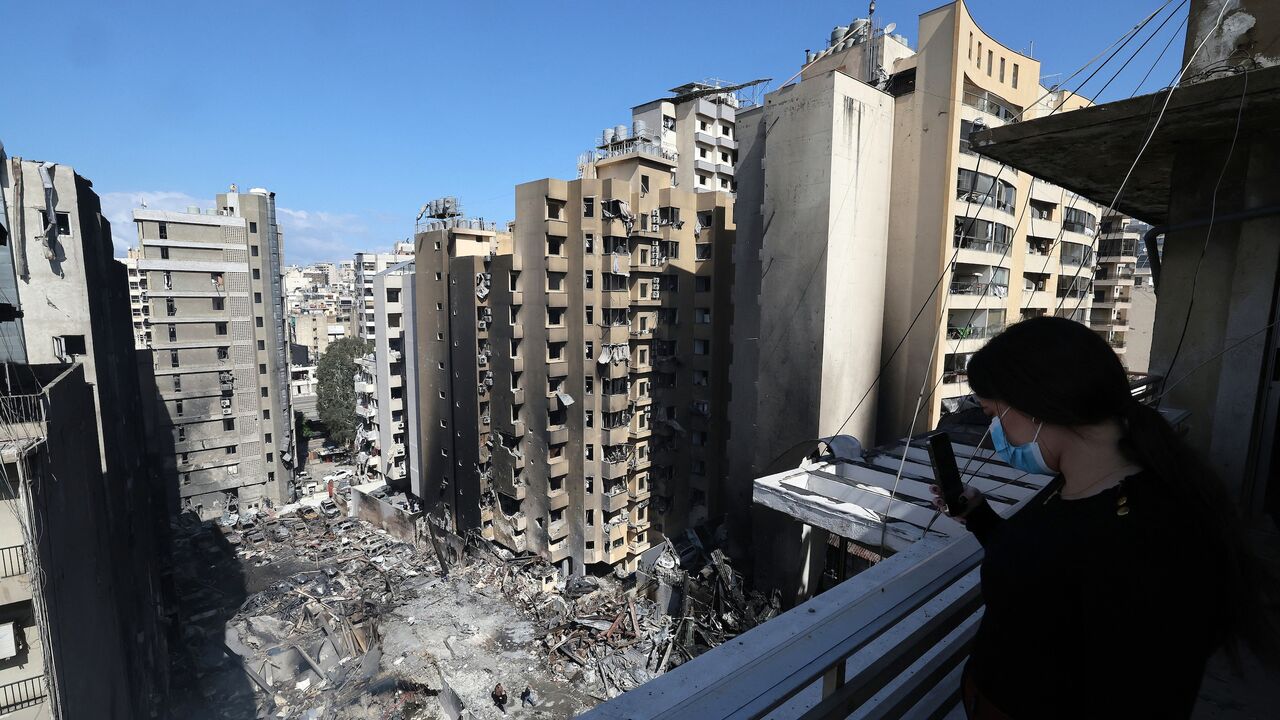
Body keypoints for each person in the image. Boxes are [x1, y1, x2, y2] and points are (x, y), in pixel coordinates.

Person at [929, 317, 1278, 719]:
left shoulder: (1143, 542)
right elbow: (1053, 569)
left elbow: (1137, 691)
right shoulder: (1103, 487)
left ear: (1038, 407)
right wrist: (979, 518)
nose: (995, 431)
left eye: (995, 413)